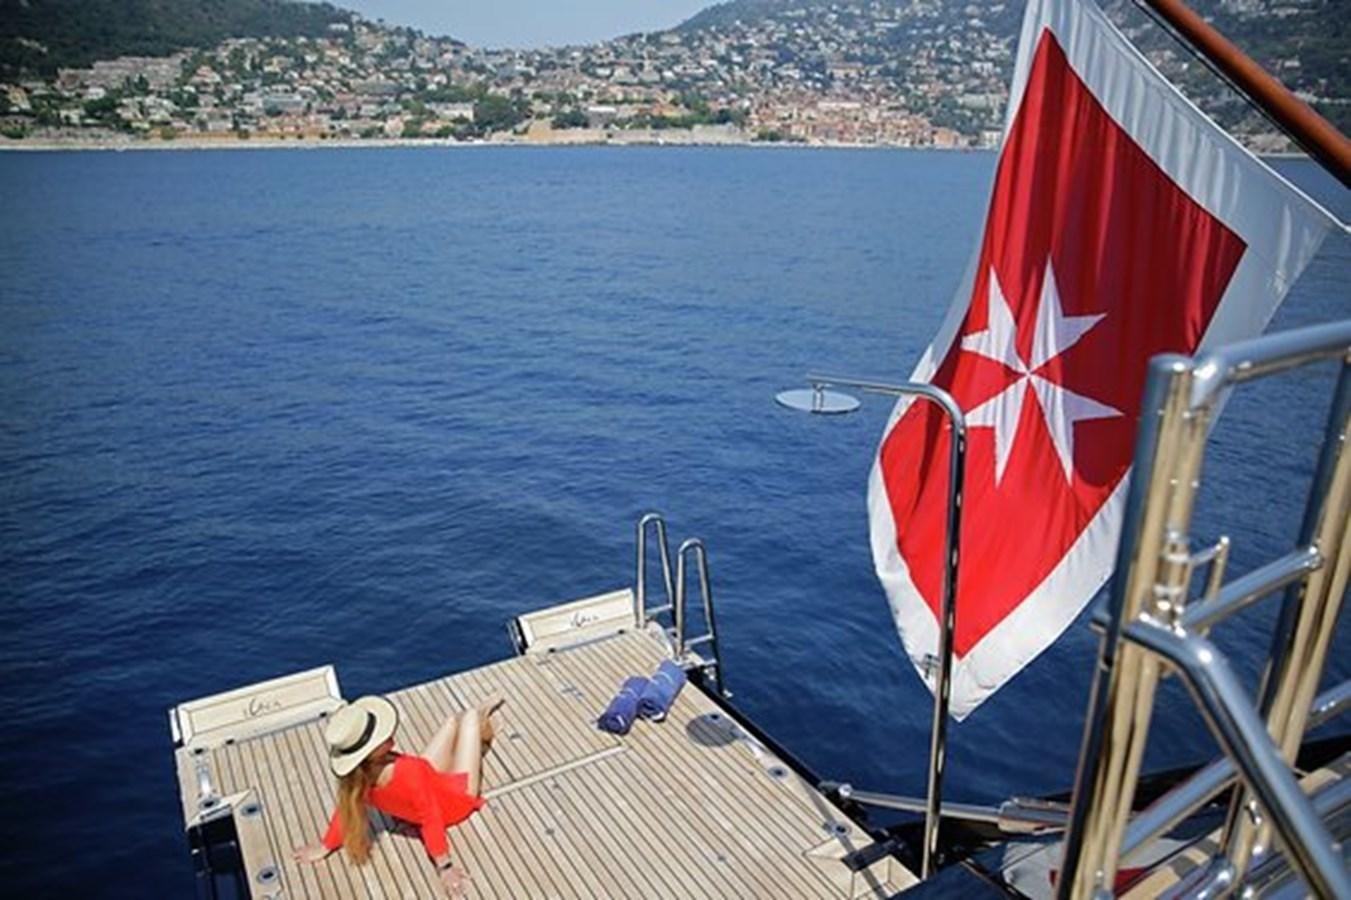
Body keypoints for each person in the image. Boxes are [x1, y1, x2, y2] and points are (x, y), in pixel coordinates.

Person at [292, 693, 504, 897]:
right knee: (467, 719)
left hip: (429, 781)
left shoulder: (357, 779)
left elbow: (345, 810)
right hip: (455, 799)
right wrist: (445, 866)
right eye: (380, 737)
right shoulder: (407, 770)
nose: (389, 732)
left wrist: (324, 846)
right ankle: (483, 715)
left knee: (451, 723)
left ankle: (479, 721)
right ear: (368, 753)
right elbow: (431, 818)